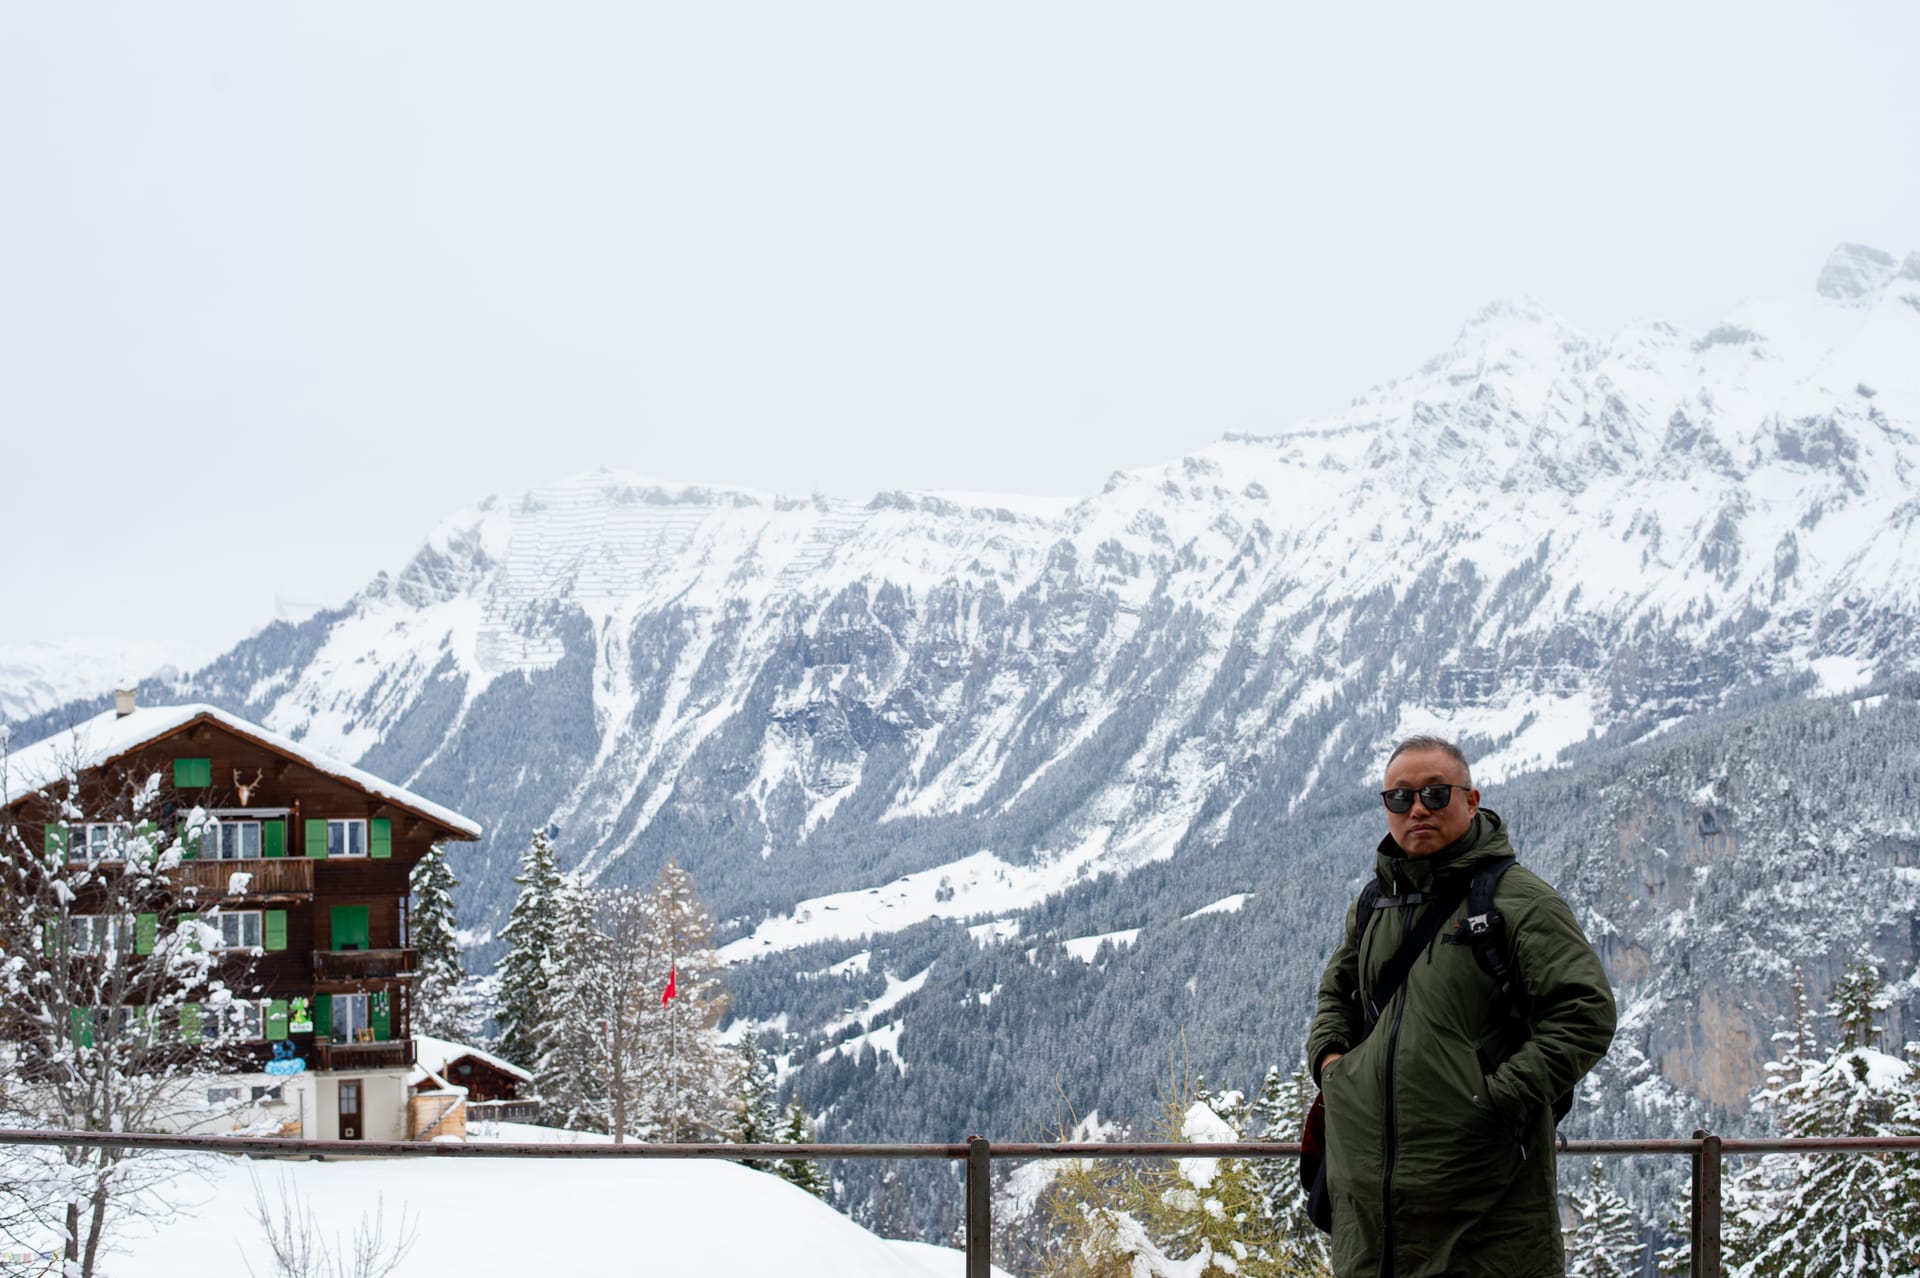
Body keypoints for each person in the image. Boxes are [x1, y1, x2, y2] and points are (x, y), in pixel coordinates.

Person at [1306, 735, 1616, 1277]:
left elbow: (1585, 1013)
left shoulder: (1518, 901)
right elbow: (1337, 994)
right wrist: (1332, 1067)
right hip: (1370, 1205)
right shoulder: (1374, 904)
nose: (1417, 809)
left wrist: (1495, 1101)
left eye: (1435, 793)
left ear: (1471, 801)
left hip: (1482, 1199)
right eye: (1400, 797)